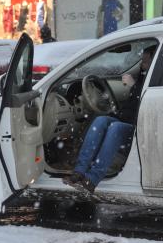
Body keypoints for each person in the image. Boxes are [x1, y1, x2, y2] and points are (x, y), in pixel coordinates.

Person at [62, 45, 157, 193]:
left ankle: (92, 179)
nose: (141, 65)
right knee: (100, 120)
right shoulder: (143, 76)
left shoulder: (155, 78)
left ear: (153, 61)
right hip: (128, 121)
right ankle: (79, 172)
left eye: (144, 62)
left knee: (115, 128)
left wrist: (134, 87)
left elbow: (144, 102)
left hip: (140, 128)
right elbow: (129, 109)